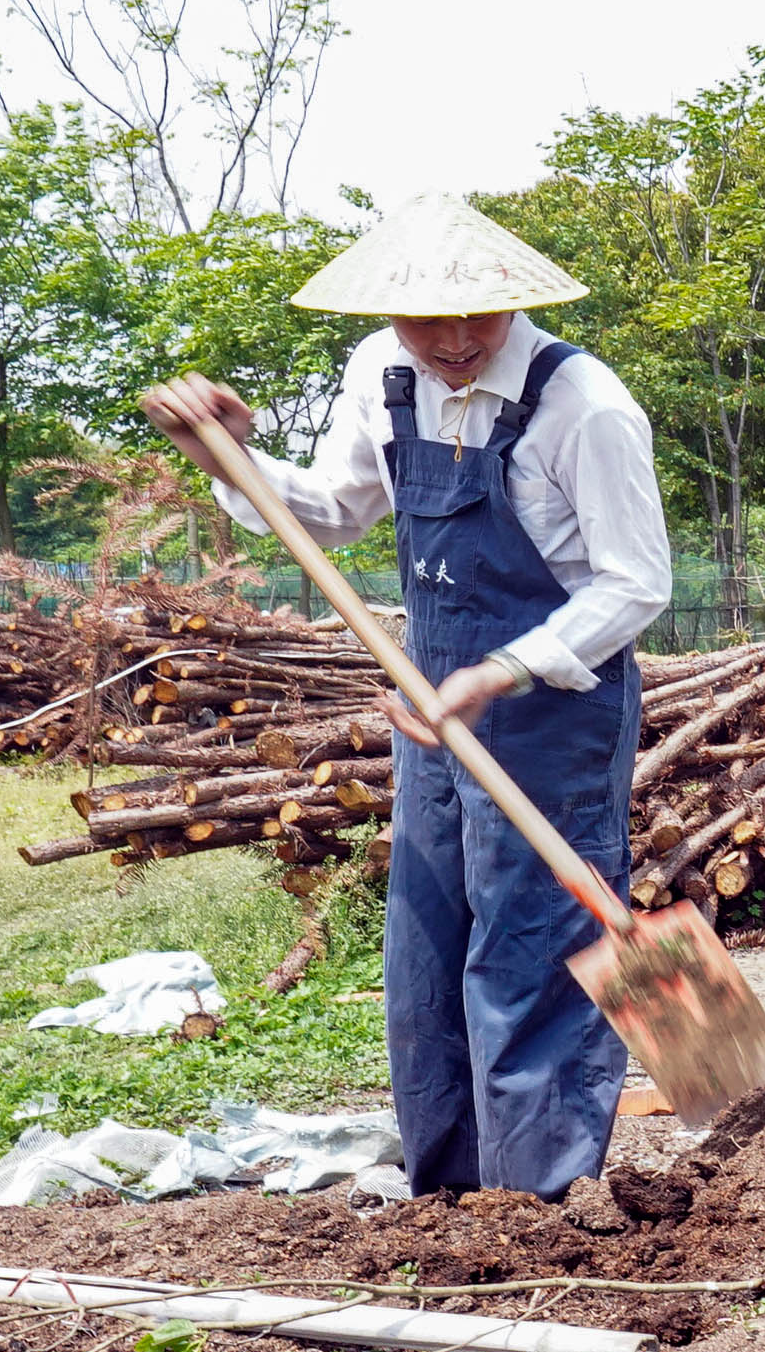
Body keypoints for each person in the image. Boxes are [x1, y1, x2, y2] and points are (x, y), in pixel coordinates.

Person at [138, 195, 674, 1198]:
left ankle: (540, 1211)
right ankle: (453, 1203)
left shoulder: (585, 404)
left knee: (535, 952)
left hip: (552, 706)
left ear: (519, 299)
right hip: (433, 700)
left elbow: (636, 583)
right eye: (432, 318)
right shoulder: (380, 375)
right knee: (428, 955)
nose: (461, 340)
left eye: (483, 315)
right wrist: (231, 457)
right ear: (389, 314)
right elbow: (336, 513)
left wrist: (501, 672)